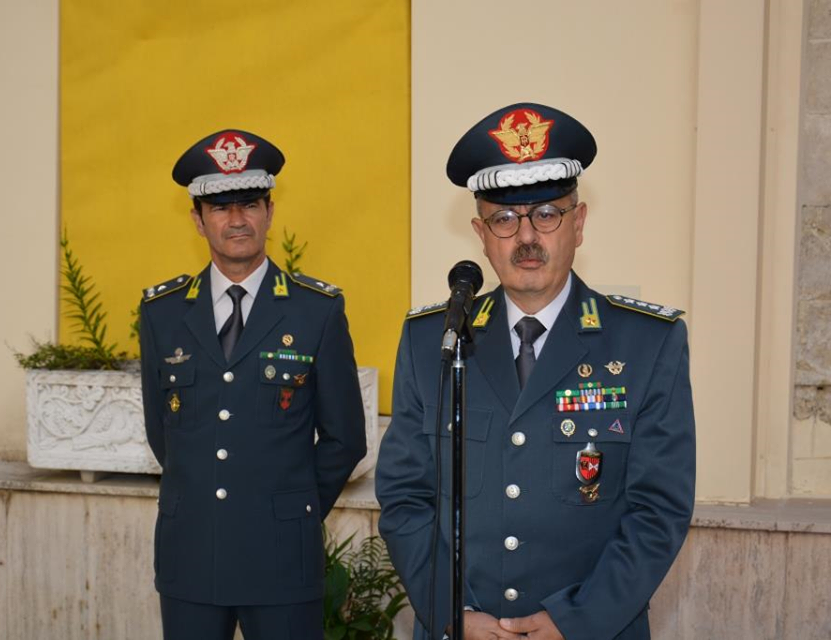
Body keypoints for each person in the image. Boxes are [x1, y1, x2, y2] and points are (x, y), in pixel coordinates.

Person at [376, 103, 696, 640]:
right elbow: (406, 496)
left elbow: (658, 510)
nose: (526, 236)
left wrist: (577, 621)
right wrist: (451, 614)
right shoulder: (433, 340)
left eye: (547, 214)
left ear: (579, 223)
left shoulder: (647, 343)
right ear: (480, 234)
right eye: (504, 219)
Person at [139, 129, 367, 640]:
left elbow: (345, 438)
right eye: (220, 207)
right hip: (190, 556)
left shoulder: (316, 311)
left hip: (282, 558)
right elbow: (162, 432)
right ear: (198, 221)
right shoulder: (162, 313)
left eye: (249, 204)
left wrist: (292, 508)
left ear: (269, 212)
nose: (236, 219)